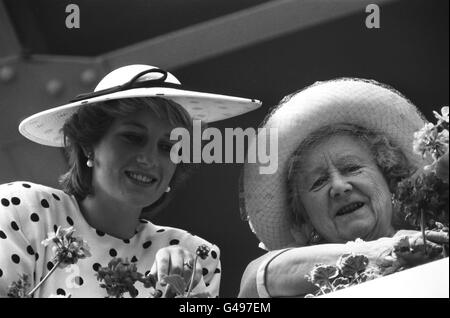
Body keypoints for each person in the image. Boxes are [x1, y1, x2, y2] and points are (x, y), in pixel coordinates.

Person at [0, 64, 261, 298]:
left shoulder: (195, 255)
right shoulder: (23, 209)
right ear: (89, 145)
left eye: (167, 146)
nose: (149, 159)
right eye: (133, 138)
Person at [238, 78, 448, 298]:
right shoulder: (293, 279)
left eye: (352, 168)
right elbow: (255, 278)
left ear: (390, 178)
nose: (339, 187)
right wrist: (376, 252)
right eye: (318, 182)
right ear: (303, 218)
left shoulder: (436, 245)